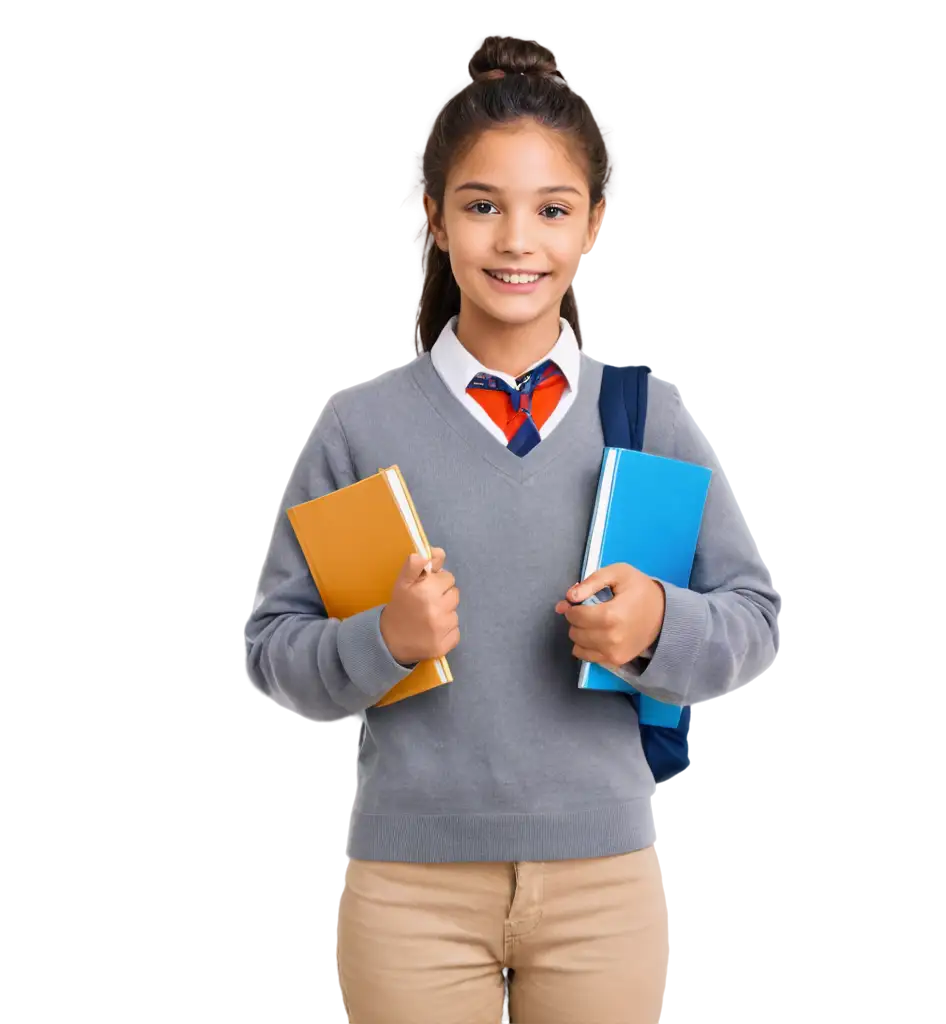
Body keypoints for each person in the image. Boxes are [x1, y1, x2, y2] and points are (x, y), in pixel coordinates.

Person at [242, 34, 780, 1024]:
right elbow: (275, 651)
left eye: (551, 209)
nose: (516, 240)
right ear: (435, 221)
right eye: (482, 205)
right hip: (409, 888)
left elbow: (753, 619)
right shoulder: (361, 428)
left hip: (604, 886)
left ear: (594, 226)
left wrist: (659, 619)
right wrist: (383, 642)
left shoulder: (645, 415)